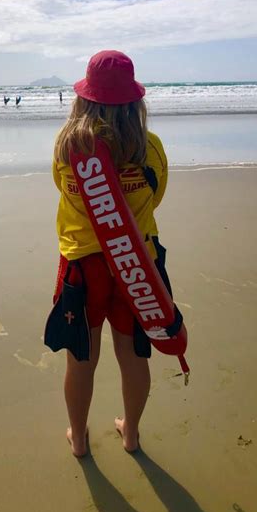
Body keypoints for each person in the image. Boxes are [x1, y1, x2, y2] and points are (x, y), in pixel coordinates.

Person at [52, 50, 170, 457]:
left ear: (84, 98)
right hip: (137, 264)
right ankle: (131, 433)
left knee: (82, 356)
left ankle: (79, 437)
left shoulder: (69, 147)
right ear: (134, 102)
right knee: (133, 352)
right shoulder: (150, 148)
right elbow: (156, 198)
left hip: (83, 265)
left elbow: (61, 190)